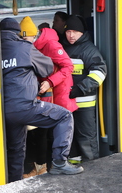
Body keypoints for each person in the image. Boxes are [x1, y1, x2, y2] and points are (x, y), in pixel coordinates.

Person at [0, 17, 84, 183]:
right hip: (25, 107)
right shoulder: (24, 47)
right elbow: (46, 67)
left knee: (16, 149)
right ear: (17, 32)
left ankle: (13, 183)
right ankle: (59, 162)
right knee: (64, 116)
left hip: (2, 110)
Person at [19, 16, 78, 178]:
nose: (24, 41)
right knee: (42, 132)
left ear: (34, 35)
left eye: (26, 38)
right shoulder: (33, 46)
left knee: (49, 131)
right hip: (46, 94)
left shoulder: (51, 44)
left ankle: (51, 165)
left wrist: (50, 82)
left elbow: (68, 66)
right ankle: (43, 166)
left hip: (58, 93)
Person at [63, 15, 107, 162]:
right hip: (67, 102)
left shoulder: (89, 49)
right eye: (68, 31)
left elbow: (100, 72)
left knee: (86, 138)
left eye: (75, 32)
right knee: (70, 136)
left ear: (82, 33)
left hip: (84, 103)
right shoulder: (62, 46)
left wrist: (80, 88)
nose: (71, 35)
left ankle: (92, 167)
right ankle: (74, 164)